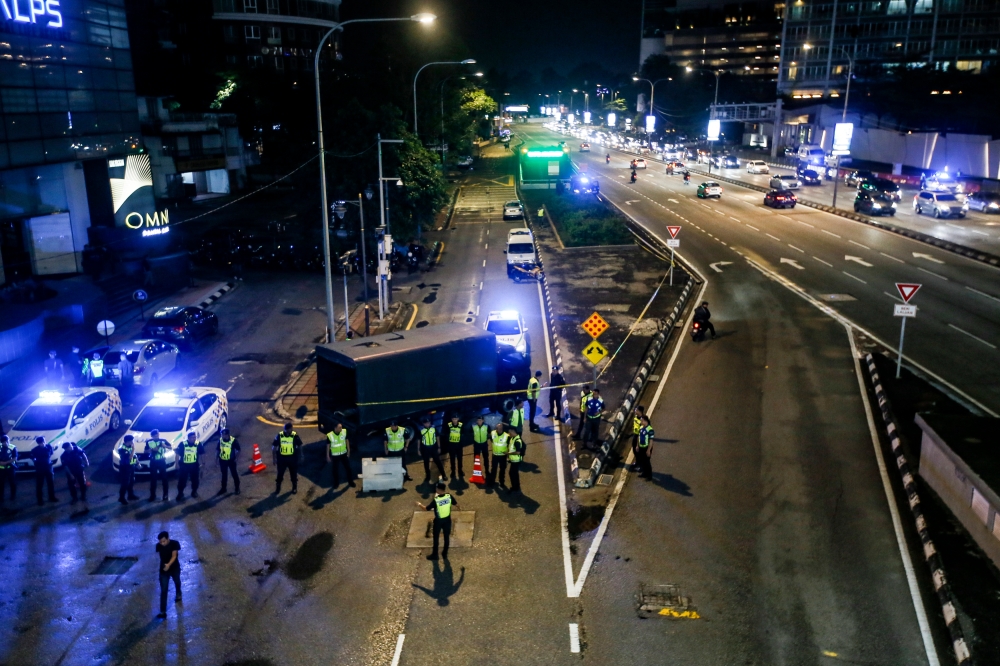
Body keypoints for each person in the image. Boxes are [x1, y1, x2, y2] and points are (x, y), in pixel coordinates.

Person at [416, 483, 458, 561]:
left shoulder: (437, 500)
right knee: (446, 537)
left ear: (438, 490)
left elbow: (426, 509)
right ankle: (444, 554)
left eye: (436, 488)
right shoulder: (449, 496)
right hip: (447, 520)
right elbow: (456, 504)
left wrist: (419, 504)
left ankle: (435, 555)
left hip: (438, 521)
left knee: (436, 538)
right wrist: (459, 508)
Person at [155, 531, 182, 619]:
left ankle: (178, 593)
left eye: (164, 541)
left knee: (177, 581)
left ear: (168, 538)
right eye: (161, 542)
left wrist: (168, 565)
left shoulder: (174, 544)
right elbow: (161, 556)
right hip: (164, 570)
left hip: (174, 568)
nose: (162, 543)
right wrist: (164, 566)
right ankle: (163, 611)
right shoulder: (158, 546)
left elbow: (174, 556)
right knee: (163, 590)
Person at [273, 423, 303, 494]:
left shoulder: (294, 435)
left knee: (293, 474)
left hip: (292, 458)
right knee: (280, 474)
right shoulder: (279, 435)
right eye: (290, 428)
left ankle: (294, 487)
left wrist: (301, 455)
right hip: (282, 459)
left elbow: (300, 445)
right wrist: (274, 458)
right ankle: (278, 487)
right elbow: (274, 447)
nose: (291, 429)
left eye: (291, 428)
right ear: (286, 429)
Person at [174, 432, 204, 500]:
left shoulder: (198, 444)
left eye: (195, 437)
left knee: (195, 480)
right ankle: (180, 493)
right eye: (192, 437)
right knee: (182, 480)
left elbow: (202, 454)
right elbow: (177, 454)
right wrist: (176, 464)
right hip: (184, 466)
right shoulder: (183, 444)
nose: (194, 438)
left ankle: (194, 492)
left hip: (194, 465)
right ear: (189, 438)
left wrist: (203, 463)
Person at [326, 422, 356, 489]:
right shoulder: (330, 435)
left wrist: (349, 450)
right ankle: (336, 483)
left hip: (343, 454)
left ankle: (350, 481)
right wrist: (327, 456)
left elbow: (347, 441)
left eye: (341, 427)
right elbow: (328, 446)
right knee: (335, 470)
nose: (341, 428)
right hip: (335, 455)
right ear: (335, 428)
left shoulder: (344, 432)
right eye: (339, 427)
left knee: (348, 468)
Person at [30, 436, 57, 505]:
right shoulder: (35, 450)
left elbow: (51, 453)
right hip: (40, 469)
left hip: (48, 468)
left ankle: (52, 497)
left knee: (50, 483)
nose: (43, 443)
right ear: (38, 443)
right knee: (40, 485)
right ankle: (40, 500)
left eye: (44, 441)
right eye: (41, 442)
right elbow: (32, 457)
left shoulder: (49, 447)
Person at [418, 417, 447, 483]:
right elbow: (419, 440)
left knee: (438, 462)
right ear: (423, 424)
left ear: (430, 423)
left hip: (433, 447)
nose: (427, 424)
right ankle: (427, 476)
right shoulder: (421, 430)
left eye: (428, 423)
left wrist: (439, 447)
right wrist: (418, 449)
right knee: (426, 463)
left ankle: (443, 474)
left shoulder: (434, 429)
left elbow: (437, 438)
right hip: (425, 448)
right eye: (426, 423)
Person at [146, 429, 170, 501]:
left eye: (157, 435)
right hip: (153, 462)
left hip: (162, 461)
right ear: (152, 436)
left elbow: (171, 447)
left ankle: (165, 495)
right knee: (153, 479)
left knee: (164, 478)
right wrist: (152, 450)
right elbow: (145, 451)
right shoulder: (149, 442)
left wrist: (164, 445)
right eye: (155, 436)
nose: (156, 437)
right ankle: (152, 495)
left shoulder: (163, 440)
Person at [216, 428, 241, 495]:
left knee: (234, 474)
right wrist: (216, 460)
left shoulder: (233, 441)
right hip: (223, 460)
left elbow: (238, 449)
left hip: (231, 461)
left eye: (223, 434)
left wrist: (236, 458)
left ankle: (237, 488)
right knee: (224, 475)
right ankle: (223, 488)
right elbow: (218, 450)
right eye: (221, 434)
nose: (222, 436)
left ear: (227, 435)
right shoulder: (220, 440)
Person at [117, 435, 139, 504]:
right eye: (131, 441)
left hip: (131, 466)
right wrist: (133, 449)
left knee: (132, 481)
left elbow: (134, 456)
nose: (133, 442)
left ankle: (130, 495)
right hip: (125, 468)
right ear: (127, 441)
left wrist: (138, 463)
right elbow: (129, 458)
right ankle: (121, 498)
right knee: (125, 483)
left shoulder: (130, 447)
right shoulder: (122, 449)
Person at [488, 423, 509, 488]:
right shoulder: (493, 433)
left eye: (498, 428)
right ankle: (492, 481)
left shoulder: (507, 436)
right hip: (495, 455)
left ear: (501, 429)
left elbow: (509, 445)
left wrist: (508, 454)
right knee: (493, 469)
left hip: (502, 456)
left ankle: (501, 482)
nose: (496, 429)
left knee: (502, 469)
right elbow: (492, 440)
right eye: (496, 428)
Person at [471, 415, 490, 480]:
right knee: (476, 459)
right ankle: (477, 472)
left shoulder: (487, 426)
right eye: (478, 420)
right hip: (477, 444)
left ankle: (487, 471)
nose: (479, 421)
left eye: (481, 420)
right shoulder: (473, 426)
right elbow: (470, 433)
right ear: (476, 421)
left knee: (486, 458)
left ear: (483, 420)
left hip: (484, 444)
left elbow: (490, 433)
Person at [0, 434, 17, 503]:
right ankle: (1, 497)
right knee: (1, 484)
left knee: (12, 482)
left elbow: (15, 458)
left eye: (7, 441)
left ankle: (13, 496)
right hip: (1, 469)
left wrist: (6, 462)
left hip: (10, 468)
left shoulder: (13, 447)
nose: (6, 443)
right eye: (4, 442)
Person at [636, 415, 654, 480]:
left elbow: (651, 441)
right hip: (641, 447)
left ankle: (649, 475)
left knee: (647, 462)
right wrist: (637, 445)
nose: (640, 422)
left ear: (645, 421)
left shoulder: (650, 429)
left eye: (641, 421)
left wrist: (649, 450)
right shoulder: (641, 428)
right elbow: (639, 437)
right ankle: (644, 473)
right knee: (642, 461)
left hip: (647, 448)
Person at [508, 431, 525, 495]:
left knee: (513, 474)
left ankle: (515, 488)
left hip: (516, 460)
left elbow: (518, 452)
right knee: (514, 474)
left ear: (513, 432)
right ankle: (516, 487)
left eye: (510, 432)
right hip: (513, 460)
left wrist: (508, 453)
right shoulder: (513, 438)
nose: (509, 433)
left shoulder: (517, 440)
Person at [630, 406, 646, 471]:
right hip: (635, 435)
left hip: (640, 437)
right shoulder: (636, 417)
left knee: (639, 452)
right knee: (635, 451)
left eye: (636, 410)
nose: (635, 411)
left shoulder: (643, 420)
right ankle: (637, 462)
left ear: (640, 411)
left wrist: (638, 444)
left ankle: (641, 467)